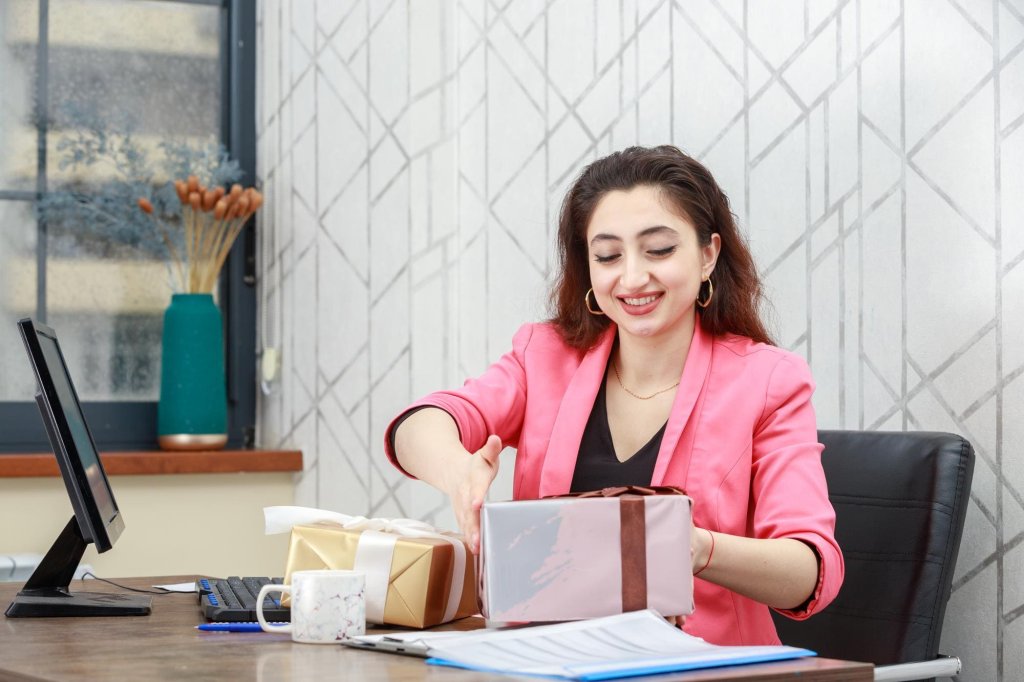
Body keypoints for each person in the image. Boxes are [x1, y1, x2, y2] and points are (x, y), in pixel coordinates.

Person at [383, 145, 843, 646]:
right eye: (607, 256)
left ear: (708, 254)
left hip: (701, 668)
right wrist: (458, 473)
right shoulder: (545, 357)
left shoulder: (769, 381)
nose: (631, 277)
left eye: (659, 250)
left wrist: (696, 549)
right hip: (547, 661)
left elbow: (810, 570)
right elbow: (419, 426)